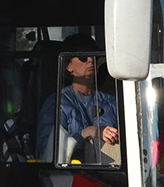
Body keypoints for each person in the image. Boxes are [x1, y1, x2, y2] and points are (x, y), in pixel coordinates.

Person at [38, 34, 119, 163]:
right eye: (83, 57)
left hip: (110, 175)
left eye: (94, 56)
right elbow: (47, 151)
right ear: (68, 65)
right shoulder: (56, 103)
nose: (90, 60)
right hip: (70, 177)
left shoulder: (112, 101)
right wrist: (84, 134)